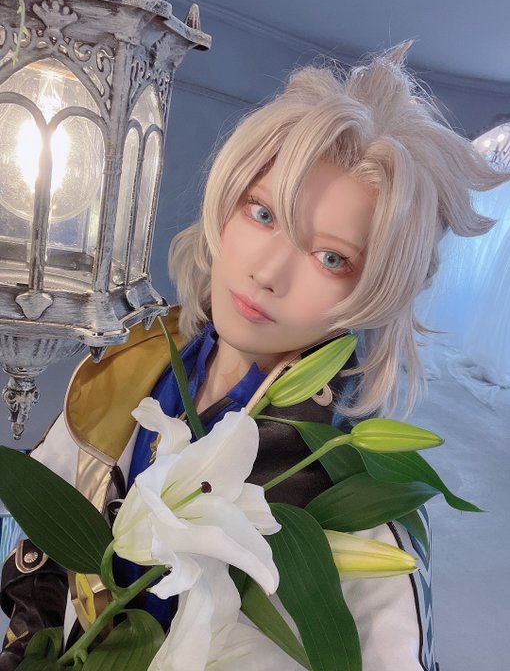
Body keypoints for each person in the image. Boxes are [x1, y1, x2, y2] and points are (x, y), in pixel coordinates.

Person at [0, 44, 505, 671]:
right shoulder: (127, 364)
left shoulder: (357, 499)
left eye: (331, 258)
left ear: (377, 289)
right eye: (262, 213)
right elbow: (43, 542)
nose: (267, 272)